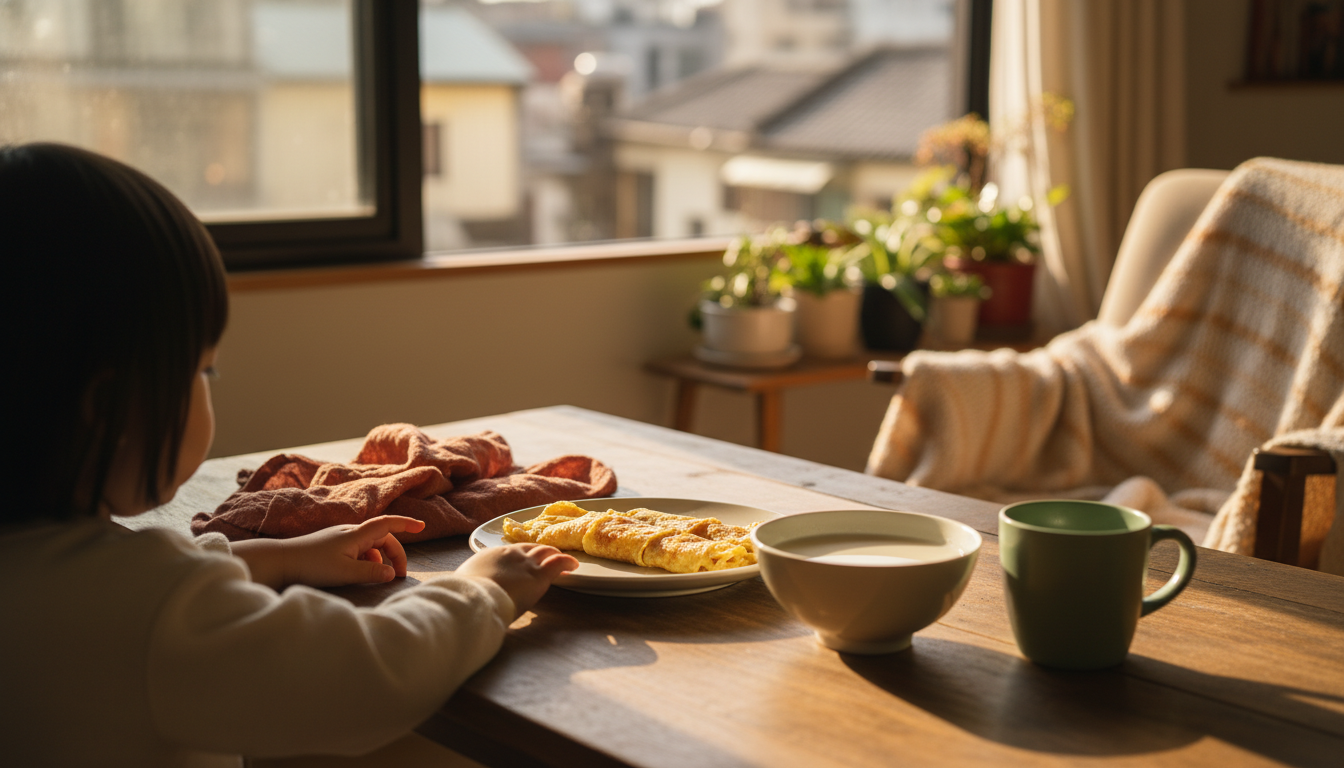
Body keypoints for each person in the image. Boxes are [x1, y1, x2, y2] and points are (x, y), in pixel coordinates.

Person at [0, 143, 579, 767]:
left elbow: (161, 596)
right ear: (108, 406)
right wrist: (481, 593)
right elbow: (365, 675)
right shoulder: (139, 610)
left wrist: (280, 558)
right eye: (204, 371)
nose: (209, 385)